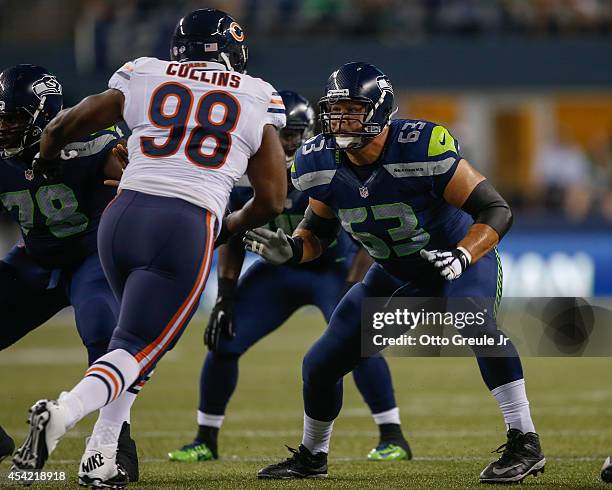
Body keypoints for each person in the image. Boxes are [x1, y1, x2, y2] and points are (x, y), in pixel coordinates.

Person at [11, 8, 287, 487]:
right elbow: (273, 198)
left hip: (120, 218)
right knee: (138, 349)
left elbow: (57, 129)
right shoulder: (257, 94)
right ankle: (62, 415)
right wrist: (228, 225)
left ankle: (101, 456)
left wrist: (48, 162)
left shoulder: (144, 72)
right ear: (233, 53)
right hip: (184, 222)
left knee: (129, 343)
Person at [247, 62, 545, 483]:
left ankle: (525, 442)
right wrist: (293, 249)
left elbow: (495, 209)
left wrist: (463, 254)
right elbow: (318, 230)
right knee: (320, 363)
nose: (341, 120)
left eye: (353, 110)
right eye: (335, 110)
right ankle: (313, 455)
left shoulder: (420, 145)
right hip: (395, 275)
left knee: (472, 320)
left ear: (381, 110)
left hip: (454, 261)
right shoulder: (318, 162)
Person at [168, 90, 411, 464]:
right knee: (224, 338)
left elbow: (370, 234)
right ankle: (205, 438)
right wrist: (226, 295)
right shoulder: (241, 173)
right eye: (278, 134)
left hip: (333, 269)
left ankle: (393, 436)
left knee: (356, 340)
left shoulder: (326, 167)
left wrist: (352, 288)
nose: (285, 143)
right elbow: (230, 235)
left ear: (309, 133)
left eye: (293, 134)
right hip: (278, 273)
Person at [0, 63, 138, 482]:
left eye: (12, 118)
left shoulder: (94, 143)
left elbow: (137, 183)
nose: (3, 127)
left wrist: (135, 175)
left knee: (102, 332)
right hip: (34, 259)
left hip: (91, 257)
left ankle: (115, 445)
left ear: (43, 116)